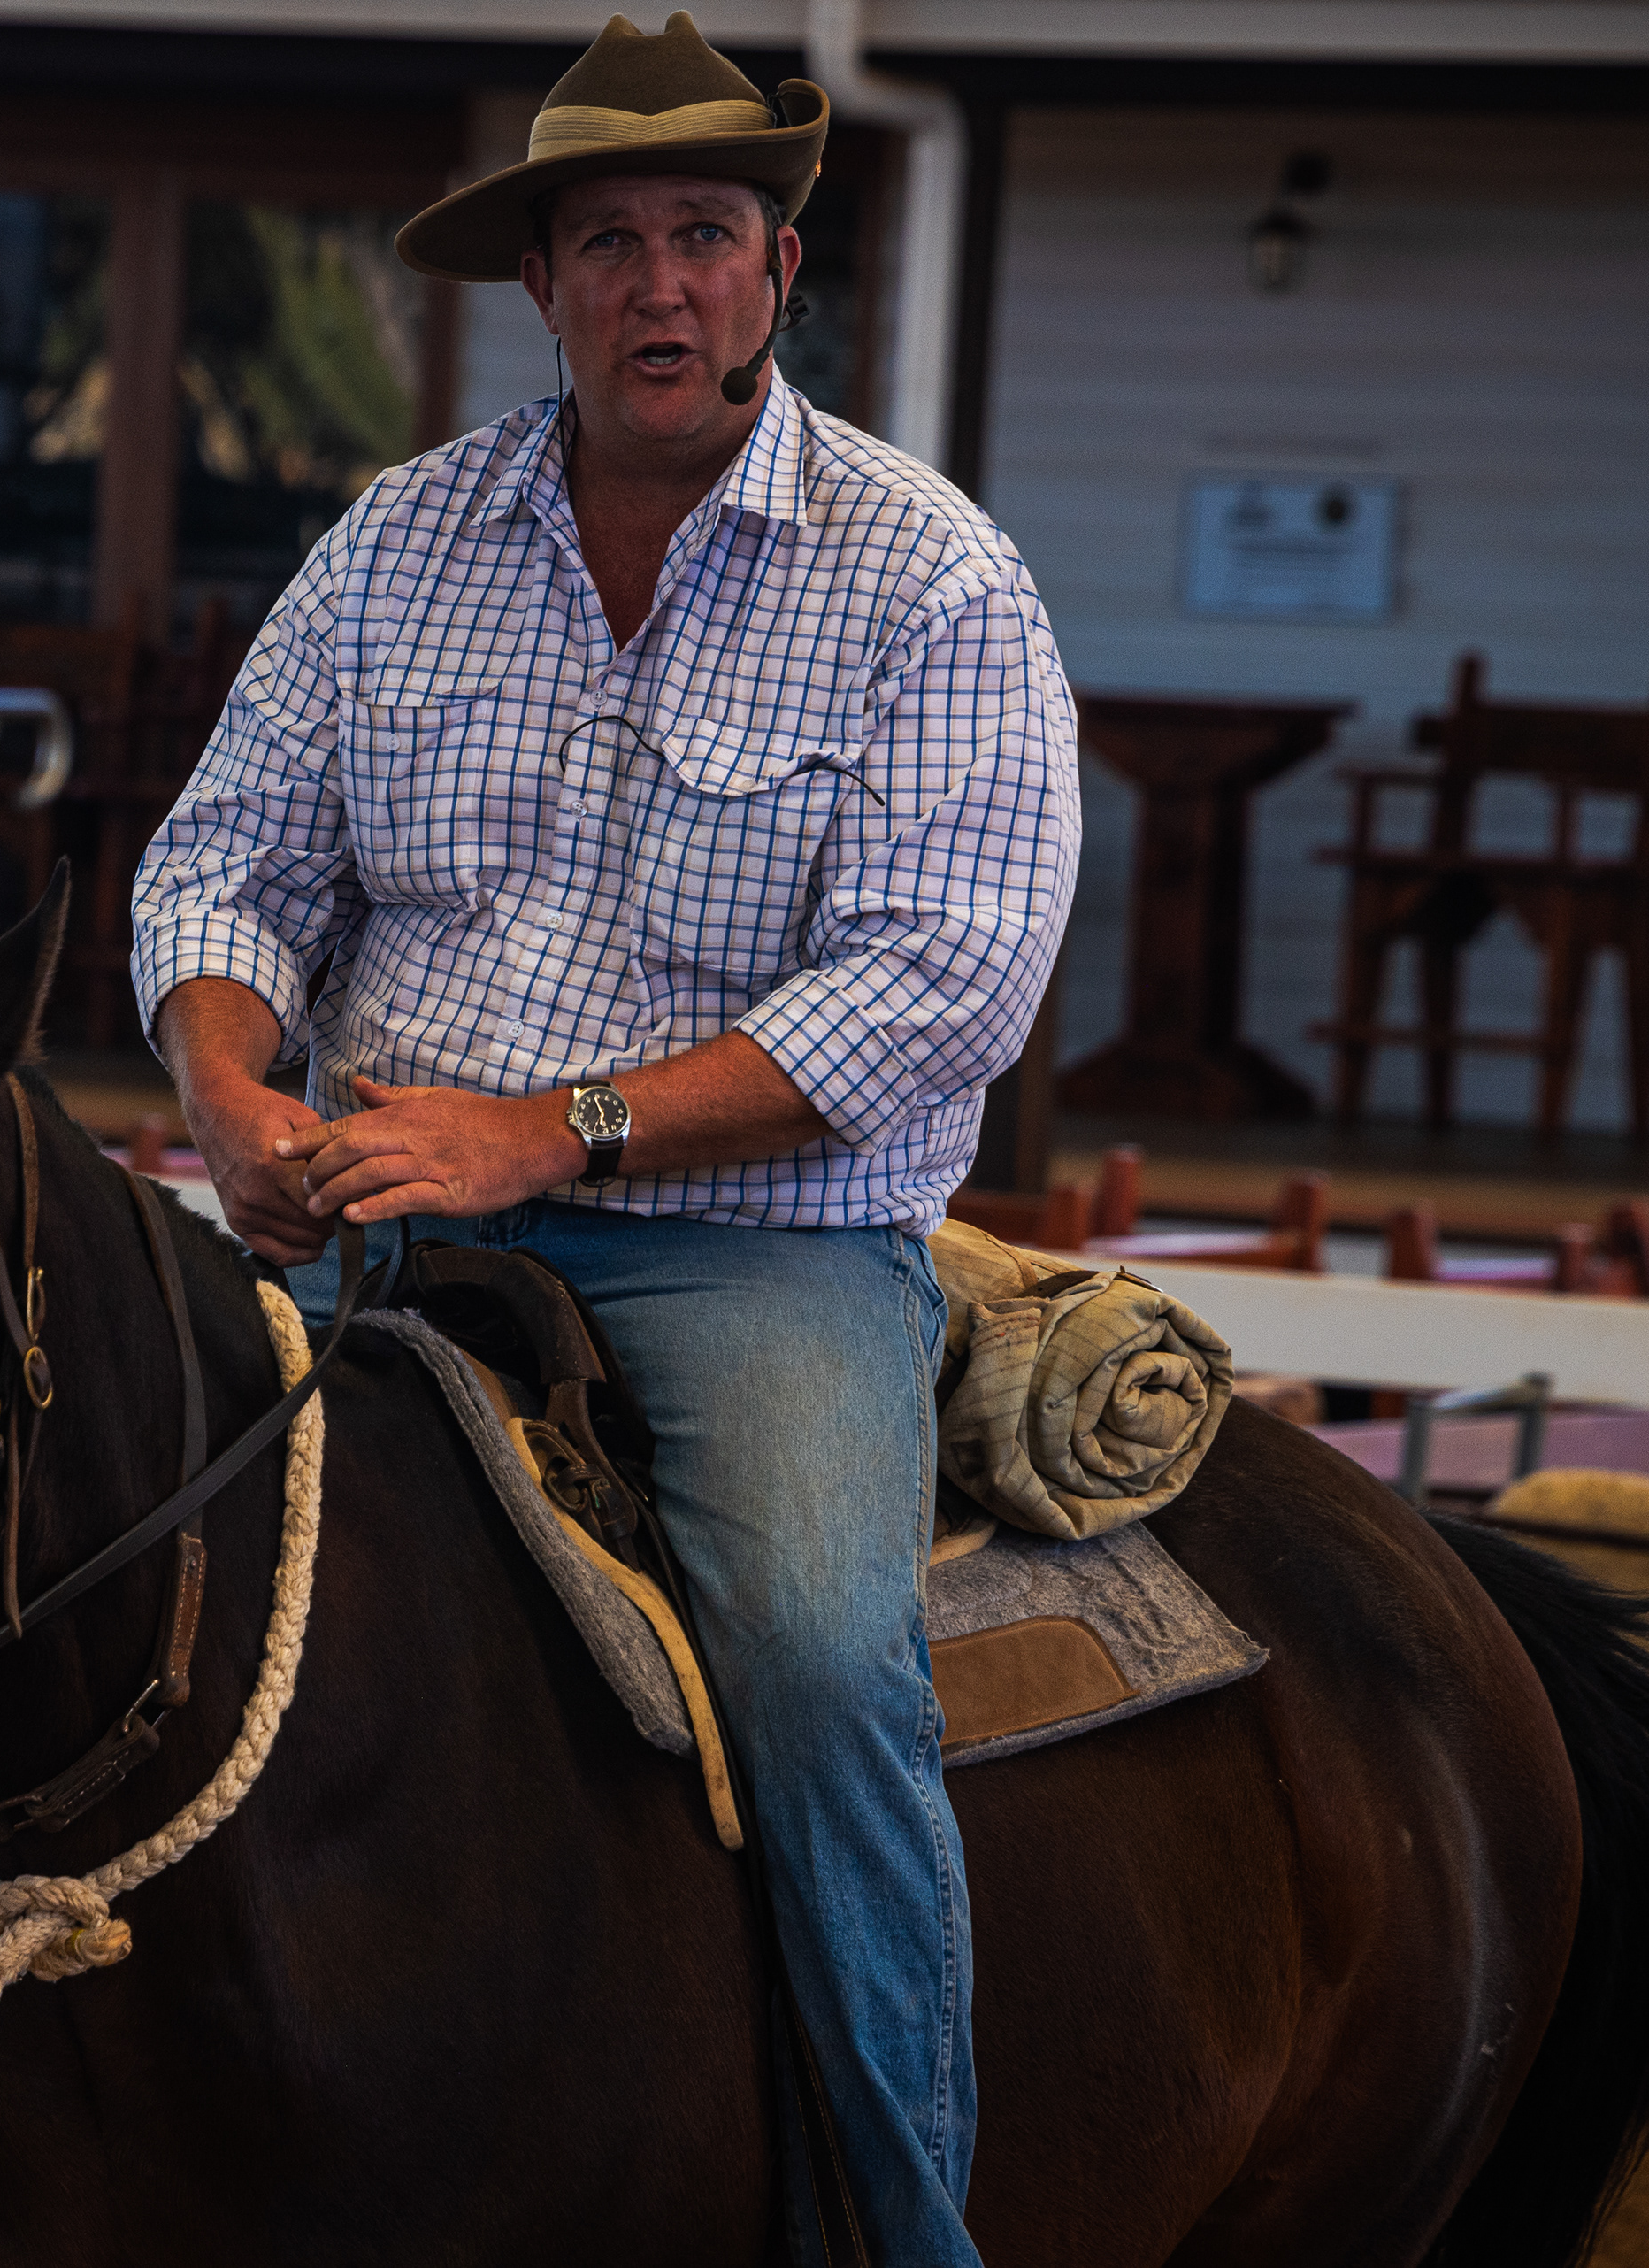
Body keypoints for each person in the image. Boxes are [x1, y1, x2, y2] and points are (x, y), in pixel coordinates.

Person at [128, 13, 1077, 2262]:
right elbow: (226, 864)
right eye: (612, 244)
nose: (663, 285)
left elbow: (948, 978)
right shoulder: (395, 545)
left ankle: (897, 2228)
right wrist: (234, 1089)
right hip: (373, 1188)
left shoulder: (931, 580)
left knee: (826, 1664)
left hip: (752, 1243)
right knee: (76, 1543)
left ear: (780, 268)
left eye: (705, 239)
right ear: (538, 287)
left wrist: (539, 1140)